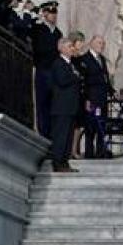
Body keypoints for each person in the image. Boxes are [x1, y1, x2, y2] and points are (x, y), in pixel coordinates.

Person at [48, 37, 82, 173]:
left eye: (72, 46)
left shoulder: (71, 64)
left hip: (70, 107)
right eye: (69, 46)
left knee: (68, 137)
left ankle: (64, 162)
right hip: (61, 108)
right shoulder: (58, 63)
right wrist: (75, 76)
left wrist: (75, 75)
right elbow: (62, 80)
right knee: (61, 136)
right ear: (61, 48)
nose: (72, 48)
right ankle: (57, 163)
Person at [30, 1, 63, 138]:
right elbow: (38, 49)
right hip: (43, 70)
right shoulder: (38, 29)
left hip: (54, 72)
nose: (53, 16)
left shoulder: (58, 33)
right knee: (42, 104)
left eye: (55, 13)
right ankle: (44, 134)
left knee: (53, 104)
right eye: (50, 13)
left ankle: (52, 134)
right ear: (44, 14)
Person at [79, 35, 113, 159]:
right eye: (99, 43)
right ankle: (89, 153)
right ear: (92, 44)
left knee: (101, 127)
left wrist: (112, 91)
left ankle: (100, 152)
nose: (102, 46)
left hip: (102, 98)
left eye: (103, 43)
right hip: (92, 98)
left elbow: (105, 78)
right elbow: (84, 80)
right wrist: (87, 98)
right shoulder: (84, 59)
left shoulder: (102, 59)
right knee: (90, 127)